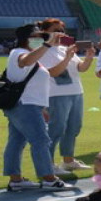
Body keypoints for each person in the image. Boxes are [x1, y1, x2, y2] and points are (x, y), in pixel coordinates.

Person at [4, 24, 69, 190]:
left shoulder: (28, 55)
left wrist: (42, 108)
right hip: (25, 105)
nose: (40, 38)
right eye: (36, 36)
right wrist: (47, 44)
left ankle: (16, 180)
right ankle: (48, 178)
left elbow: (33, 85)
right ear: (26, 39)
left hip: (26, 105)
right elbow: (25, 61)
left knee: (16, 141)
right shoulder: (19, 53)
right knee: (40, 140)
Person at [37, 19, 94, 174]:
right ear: (45, 32)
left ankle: (68, 161)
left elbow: (81, 68)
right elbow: (53, 72)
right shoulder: (43, 50)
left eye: (62, 30)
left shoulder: (64, 48)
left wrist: (88, 57)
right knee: (56, 128)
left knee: (74, 127)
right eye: (56, 30)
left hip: (76, 92)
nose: (61, 33)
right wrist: (68, 57)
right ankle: (48, 163)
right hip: (56, 94)